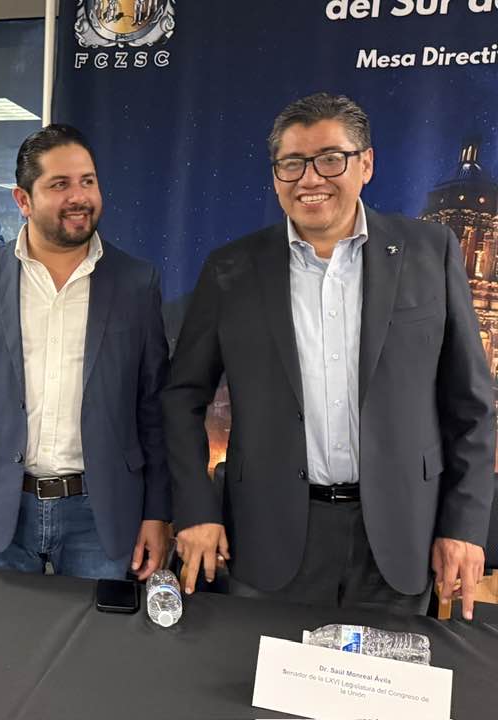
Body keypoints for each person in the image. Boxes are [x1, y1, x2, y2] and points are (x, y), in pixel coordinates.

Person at [163, 92, 495, 618]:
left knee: (385, 673)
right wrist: (195, 510)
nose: (310, 179)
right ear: (276, 176)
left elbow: (471, 405)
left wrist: (464, 526)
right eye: (292, 163)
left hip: (400, 537)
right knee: (264, 670)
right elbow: (181, 397)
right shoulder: (231, 269)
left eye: (331, 159)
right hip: (268, 536)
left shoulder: (430, 252)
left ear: (367, 164)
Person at [0, 124, 171, 580]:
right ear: (23, 200)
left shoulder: (137, 282)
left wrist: (157, 514)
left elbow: (153, 408)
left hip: (101, 516)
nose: (79, 197)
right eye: (60, 184)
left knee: (95, 628)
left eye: (87, 181)